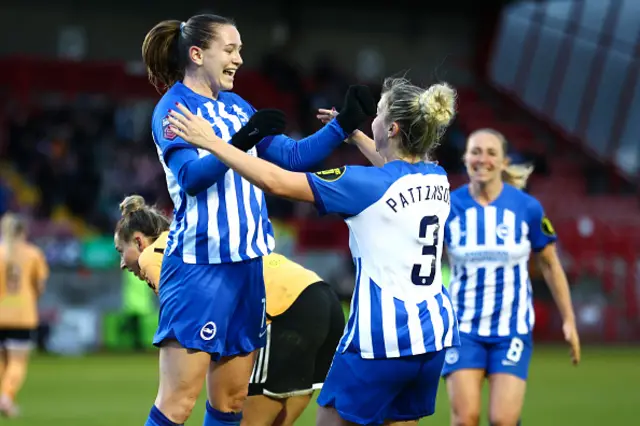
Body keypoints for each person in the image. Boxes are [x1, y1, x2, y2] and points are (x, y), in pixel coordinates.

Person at [166, 76, 460, 426]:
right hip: (433, 337)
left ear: (393, 128)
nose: (373, 120)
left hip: (380, 339)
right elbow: (396, 174)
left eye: (378, 114)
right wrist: (353, 134)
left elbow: (274, 181)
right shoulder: (436, 178)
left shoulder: (360, 183)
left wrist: (215, 143)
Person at [141, 13, 374, 426]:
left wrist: (343, 126)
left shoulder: (235, 106)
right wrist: (238, 141)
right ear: (197, 54)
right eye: (230, 50)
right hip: (200, 270)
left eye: (240, 50)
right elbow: (191, 178)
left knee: (231, 402)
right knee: (177, 404)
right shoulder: (173, 109)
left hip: (249, 269)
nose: (239, 60)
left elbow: (291, 157)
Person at [113, 195, 345, 426]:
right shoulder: (193, 241)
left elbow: (187, 321)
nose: (122, 263)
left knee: (197, 407)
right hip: (320, 297)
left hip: (285, 307)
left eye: (121, 251)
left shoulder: (154, 255)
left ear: (139, 241)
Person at [440, 128, 581, 426]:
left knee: (503, 420)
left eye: (491, 153)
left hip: (511, 329)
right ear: (465, 158)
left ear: (504, 162)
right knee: (465, 419)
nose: (482, 159)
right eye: (475, 151)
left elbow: (550, 265)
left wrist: (569, 319)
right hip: (462, 329)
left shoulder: (527, 208)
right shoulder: (447, 207)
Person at [0, 213, 49, 418]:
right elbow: (39, 285)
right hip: (22, 314)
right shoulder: (33, 253)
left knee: (2, 362)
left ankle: (5, 400)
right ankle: (6, 397)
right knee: (17, 362)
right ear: (24, 231)